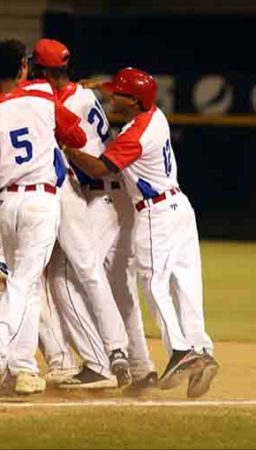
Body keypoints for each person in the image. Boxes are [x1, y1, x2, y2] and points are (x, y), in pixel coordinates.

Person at [62, 67, 219, 398]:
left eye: (118, 93)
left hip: (155, 214)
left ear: (133, 101)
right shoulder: (154, 113)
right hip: (180, 208)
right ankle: (200, 348)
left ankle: (180, 351)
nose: (112, 97)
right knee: (186, 284)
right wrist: (96, 86)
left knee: (152, 283)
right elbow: (121, 92)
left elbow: (99, 167)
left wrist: (68, 148)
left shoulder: (135, 135)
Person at [0, 39, 86, 404]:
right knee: (22, 282)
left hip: (6, 202)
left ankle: (23, 369)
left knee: (28, 284)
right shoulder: (42, 99)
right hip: (40, 200)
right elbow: (78, 136)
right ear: (23, 67)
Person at [28, 38, 137, 389]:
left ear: (42, 70)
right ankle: (118, 354)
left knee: (69, 276)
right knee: (81, 275)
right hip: (95, 193)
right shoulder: (78, 95)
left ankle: (104, 359)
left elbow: (88, 163)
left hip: (88, 192)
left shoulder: (62, 101)